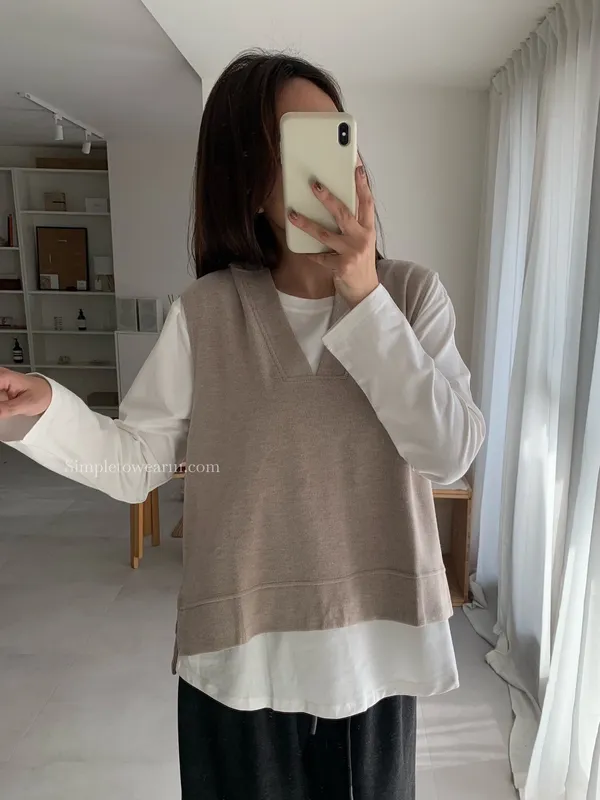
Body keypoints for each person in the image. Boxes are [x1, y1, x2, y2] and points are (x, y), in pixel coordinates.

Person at [0, 51, 485, 800]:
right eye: (296, 144)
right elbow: (140, 463)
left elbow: (450, 452)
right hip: (240, 656)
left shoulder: (412, 297)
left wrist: (365, 298)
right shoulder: (208, 312)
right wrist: (46, 412)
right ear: (249, 177)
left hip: (376, 654)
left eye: (337, 136)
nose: (327, 167)